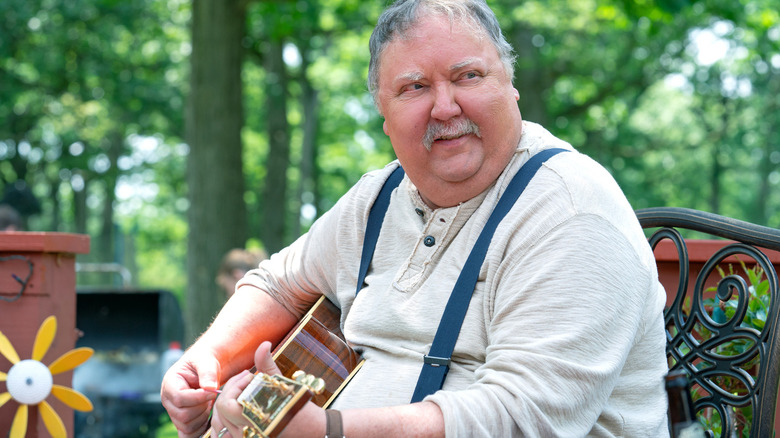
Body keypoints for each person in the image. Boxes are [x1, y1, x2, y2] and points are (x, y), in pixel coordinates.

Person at [161, 0, 670, 436]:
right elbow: (278, 284)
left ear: (509, 86)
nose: (446, 107)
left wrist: (327, 430)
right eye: (414, 88)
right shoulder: (378, 198)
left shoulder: (572, 209)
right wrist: (204, 364)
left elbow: (524, 419)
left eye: (468, 76)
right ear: (385, 116)